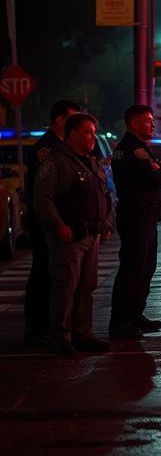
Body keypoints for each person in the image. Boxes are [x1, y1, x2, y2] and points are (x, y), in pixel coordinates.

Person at [33, 113, 113, 356]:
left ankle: (82, 332)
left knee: (87, 286)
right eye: (88, 132)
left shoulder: (89, 162)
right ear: (73, 134)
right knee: (65, 285)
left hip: (92, 234)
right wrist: (58, 225)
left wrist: (106, 222)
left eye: (94, 132)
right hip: (69, 236)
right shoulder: (56, 163)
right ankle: (60, 336)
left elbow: (104, 195)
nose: (93, 138)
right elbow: (42, 199)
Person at [109, 105, 161, 339]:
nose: (152, 124)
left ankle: (135, 314)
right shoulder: (132, 150)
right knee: (133, 269)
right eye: (148, 121)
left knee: (146, 268)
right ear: (134, 123)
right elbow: (159, 176)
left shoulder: (141, 149)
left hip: (146, 216)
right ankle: (120, 321)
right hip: (136, 216)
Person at [22, 99, 81, 344]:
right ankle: (36, 328)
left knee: (56, 274)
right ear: (59, 120)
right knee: (43, 274)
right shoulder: (46, 149)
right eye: (72, 118)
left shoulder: (62, 146)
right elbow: (44, 191)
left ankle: (48, 324)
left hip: (60, 220)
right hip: (45, 221)